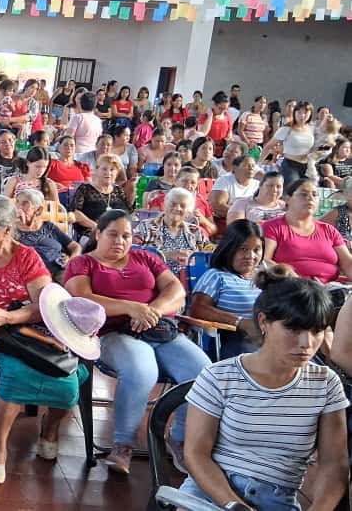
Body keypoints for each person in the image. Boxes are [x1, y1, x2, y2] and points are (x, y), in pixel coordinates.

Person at [181, 272, 348, 511]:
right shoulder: (219, 376)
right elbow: (196, 455)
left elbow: (334, 464)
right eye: (293, 328)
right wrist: (234, 505)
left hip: (277, 501)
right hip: (210, 493)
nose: (307, 343)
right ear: (263, 322)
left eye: (317, 331)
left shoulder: (325, 383)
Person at [0, 196, 92, 483]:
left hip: (26, 330)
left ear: (6, 229)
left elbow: (43, 306)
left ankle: (50, 428)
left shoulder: (26, 256)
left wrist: (8, 317)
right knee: (15, 375)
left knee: (68, 377)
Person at [65, 209, 210, 474]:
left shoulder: (144, 258)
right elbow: (82, 299)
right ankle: (123, 445)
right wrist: (132, 308)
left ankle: (179, 439)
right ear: (98, 234)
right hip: (112, 334)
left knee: (203, 371)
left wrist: (151, 310)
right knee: (142, 369)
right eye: (112, 235)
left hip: (158, 330)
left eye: (126, 236)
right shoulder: (83, 263)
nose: (120, 241)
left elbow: (176, 290)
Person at [189, 220, 275, 359]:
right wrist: (241, 323)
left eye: (256, 250)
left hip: (271, 335)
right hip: (235, 338)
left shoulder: (266, 277)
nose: (250, 256)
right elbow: (197, 308)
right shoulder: (217, 276)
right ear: (229, 248)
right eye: (243, 249)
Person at [263, 178, 352, 283]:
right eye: (304, 194)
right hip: (291, 287)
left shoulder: (329, 230)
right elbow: (265, 261)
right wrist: (288, 274)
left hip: (329, 289)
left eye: (315, 195)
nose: (310, 198)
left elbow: (348, 264)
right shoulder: (273, 227)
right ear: (287, 199)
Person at [132, 188, 209, 276]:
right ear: (164, 205)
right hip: (154, 278)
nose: (177, 208)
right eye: (173, 204)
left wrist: (195, 259)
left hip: (189, 281)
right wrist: (166, 255)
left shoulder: (195, 231)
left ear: (188, 212)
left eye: (183, 206)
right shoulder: (146, 227)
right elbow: (133, 253)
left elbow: (208, 256)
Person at [15, 189, 80, 281]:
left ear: (39, 210)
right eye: (17, 202)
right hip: (31, 276)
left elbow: (75, 246)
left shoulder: (48, 226)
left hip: (59, 270)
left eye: (25, 204)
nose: (19, 207)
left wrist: (71, 259)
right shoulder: (10, 230)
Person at [70, 154, 130, 242]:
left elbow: (127, 212)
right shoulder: (85, 189)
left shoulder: (118, 190)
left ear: (117, 172)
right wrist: (96, 226)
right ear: (97, 170)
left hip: (118, 234)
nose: (108, 173)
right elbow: (76, 213)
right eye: (104, 169)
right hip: (92, 233)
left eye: (112, 170)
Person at [264, 101, 315, 185]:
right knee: (291, 189)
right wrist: (258, 164)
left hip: (307, 166)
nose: (302, 115)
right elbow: (269, 146)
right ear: (294, 113)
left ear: (310, 114)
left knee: (306, 191)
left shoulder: (312, 129)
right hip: (290, 165)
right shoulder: (287, 128)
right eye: (299, 112)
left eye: (306, 113)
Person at [209, 154, 260, 220]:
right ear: (235, 168)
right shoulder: (224, 180)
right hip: (226, 220)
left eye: (253, 165)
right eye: (246, 165)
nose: (251, 168)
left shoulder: (258, 184)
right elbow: (218, 205)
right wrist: (241, 214)